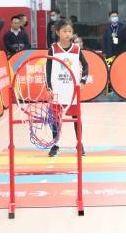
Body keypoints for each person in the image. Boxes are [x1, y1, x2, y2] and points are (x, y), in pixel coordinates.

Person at [46, 19, 89, 157]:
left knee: (77, 118)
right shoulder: (52, 49)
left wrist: (83, 81)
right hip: (57, 90)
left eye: (70, 31)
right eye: (64, 31)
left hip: (72, 90)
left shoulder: (76, 49)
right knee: (55, 119)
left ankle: (79, 143)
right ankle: (55, 144)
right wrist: (49, 88)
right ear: (58, 32)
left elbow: (86, 65)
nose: (67, 34)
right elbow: (47, 70)